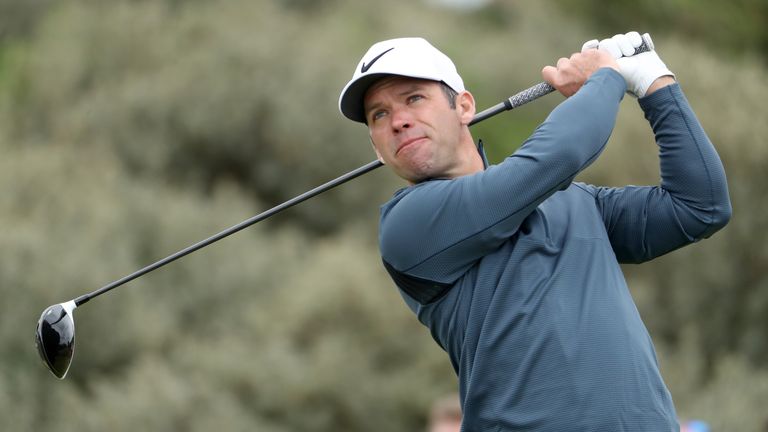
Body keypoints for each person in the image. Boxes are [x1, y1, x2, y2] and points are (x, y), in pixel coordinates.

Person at [338, 33, 731, 431]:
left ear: (464, 106)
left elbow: (699, 206)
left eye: (413, 98)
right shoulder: (408, 225)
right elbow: (553, 158)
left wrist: (654, 83)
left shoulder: (577, 201)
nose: (399, 121)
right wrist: (605, 78)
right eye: (379, 115)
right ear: (376, 147)